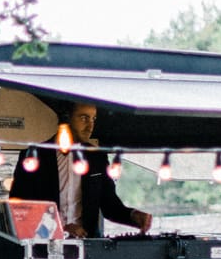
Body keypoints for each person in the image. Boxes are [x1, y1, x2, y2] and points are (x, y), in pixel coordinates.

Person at [8, 102, 151, 239]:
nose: (90, 126)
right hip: (44, 246)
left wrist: (132, 215)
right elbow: (19, 209)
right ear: (66, 118)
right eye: (84, 118)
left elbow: (109, 204)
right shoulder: (34, 156)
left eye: (93, 119)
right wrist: (60, 228)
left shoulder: (97, 156)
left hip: (88, 246)